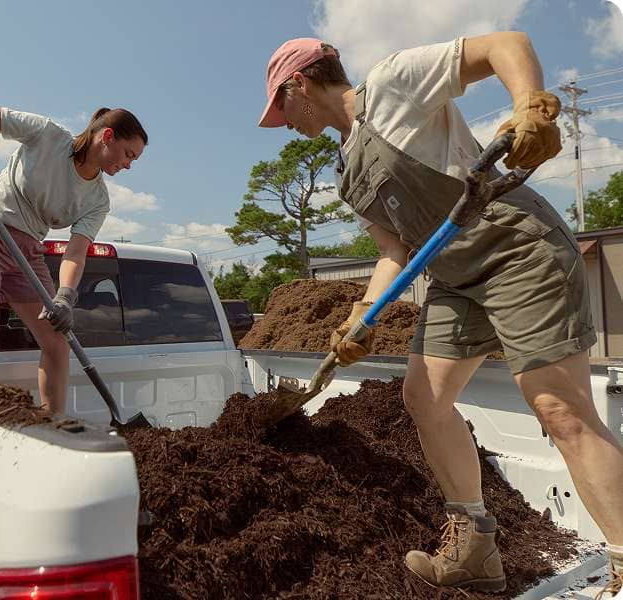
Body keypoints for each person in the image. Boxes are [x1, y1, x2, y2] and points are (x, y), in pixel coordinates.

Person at [258, 32, 623, 595]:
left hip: (515, 250)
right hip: (455, 279)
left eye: (279, 108)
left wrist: (529, 104)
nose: (281, 122)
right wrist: (362, 315)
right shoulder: (347, 169)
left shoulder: (390, 85)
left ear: (300, 85)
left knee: (559, 409)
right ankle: (476, 547)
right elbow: (392, 253)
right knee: (423, 399)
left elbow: (506, 44)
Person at [0, 102, 147, 414]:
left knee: (58, 342)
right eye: (129, 154)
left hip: (26, 252)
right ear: (107, 136)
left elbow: (75, 251)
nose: (128, 165)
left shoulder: (98, 199)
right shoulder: (47, 135)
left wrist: (65, 296)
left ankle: (53, 425)